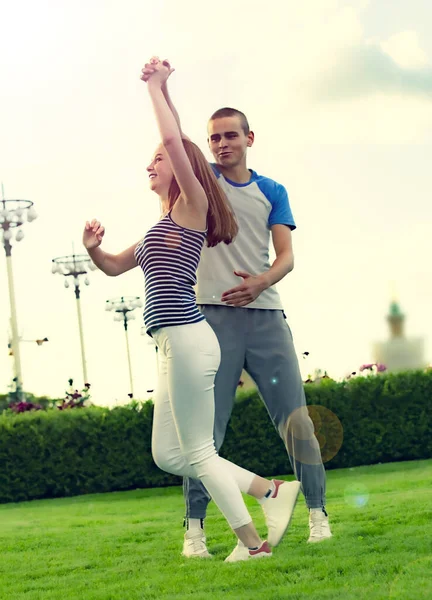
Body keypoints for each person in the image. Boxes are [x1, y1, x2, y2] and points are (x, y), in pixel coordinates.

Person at [83, 57, 301, 562]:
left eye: (158, 160)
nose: (150, 166)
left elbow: (175, 137)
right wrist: (93, 248)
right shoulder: (159, 226)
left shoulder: (192, 208)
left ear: (180, 168)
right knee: (170, 455)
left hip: (187, 336)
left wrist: (158, 88)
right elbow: (116, 266)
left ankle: (254, 545)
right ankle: (270, 491)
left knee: (199, 451)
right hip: (168, 342)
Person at [141, 61, 332, 560]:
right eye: (214, 138)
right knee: (202, 434)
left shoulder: (272, 191)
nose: (222, 144)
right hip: (207, 318)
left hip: (266, 318)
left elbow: (286, 256)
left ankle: (317, 515)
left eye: (230, 136)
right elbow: (175, 139)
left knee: (297, 422)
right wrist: (162, 87)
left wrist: (262, 282)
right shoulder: (199, 189)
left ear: (249, 138)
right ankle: (195, 531)